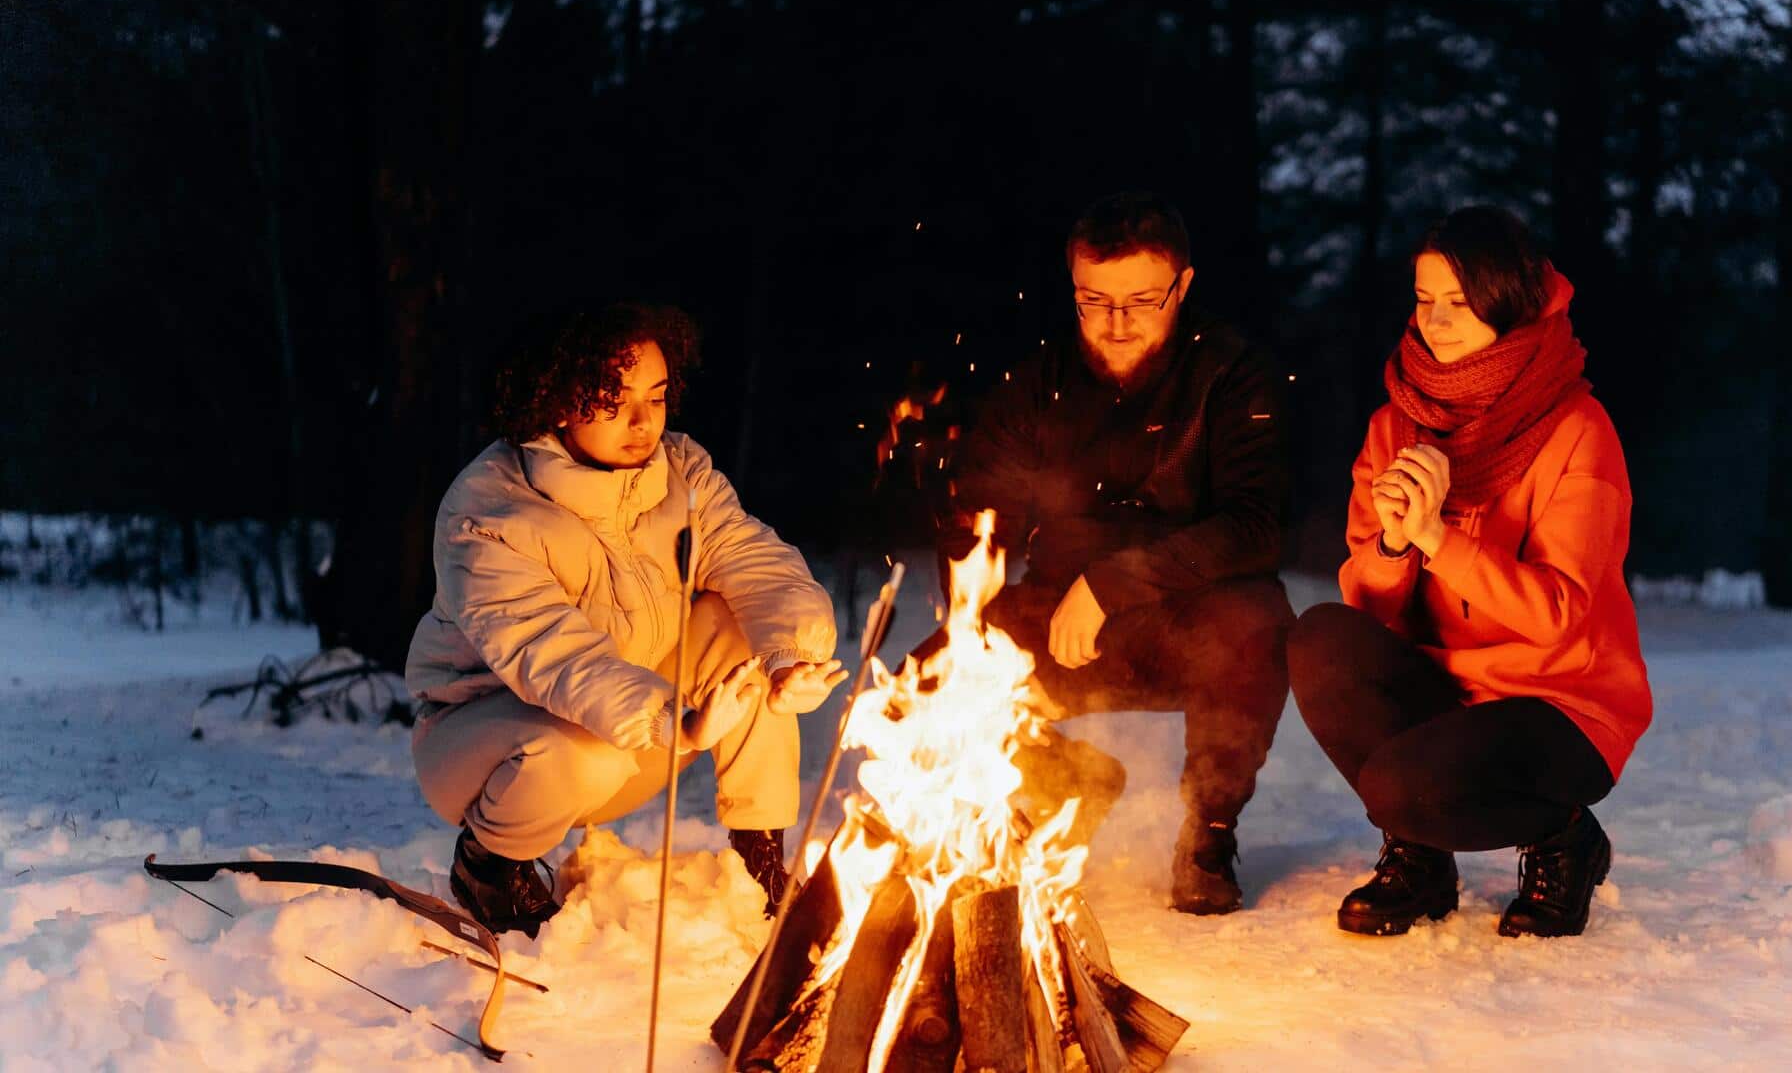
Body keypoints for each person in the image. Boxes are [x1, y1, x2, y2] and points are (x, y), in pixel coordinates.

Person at [404, 302, 844, 938]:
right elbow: (552, 655)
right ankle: (490, 866)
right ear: (556, 401)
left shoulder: (681, 473)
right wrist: (676, 718)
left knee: (749, 632)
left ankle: (762, 859)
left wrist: (793, 658)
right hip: (488, 744)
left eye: (656, 397)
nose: (643, 422)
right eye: (613, 400)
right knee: (585, 752)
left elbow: (754, 561)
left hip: (640, 727)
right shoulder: (489, 511)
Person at [1287, 206, 1652, 939]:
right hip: (1448, 690)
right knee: (1321, 638)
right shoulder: (1397, 424)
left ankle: (1565, 839)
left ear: (1507, 303)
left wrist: (1439, 537)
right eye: (1425, 300)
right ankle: (1420, 864)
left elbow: (1559, 612)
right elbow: (1370, 609)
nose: (1437, 321)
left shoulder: (1577, 429)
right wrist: (1393, 546)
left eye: (1459, 302)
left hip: (1559, 704)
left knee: (1399, 787)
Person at [930, 191, 1295, 915]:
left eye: (1140, 301)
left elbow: (1255, 524)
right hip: (1063, 620)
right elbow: (980, 524)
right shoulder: (1037, 384)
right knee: (927, 683)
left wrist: (1113, 582)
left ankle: (1209, 832)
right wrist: (976, 593)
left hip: (1190, 617)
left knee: (1259, 628)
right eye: (1095, 301)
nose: (1116, 323)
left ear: (1183, 286)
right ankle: (1067, 780)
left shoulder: (1233, 374)